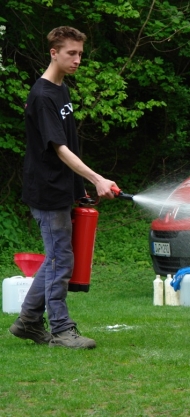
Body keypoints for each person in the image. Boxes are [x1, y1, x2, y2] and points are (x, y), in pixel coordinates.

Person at [9, 26, 119, 349]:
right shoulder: (42, 96)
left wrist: (78, 189)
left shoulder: (61, 90)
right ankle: (60, 329)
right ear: (53, 53)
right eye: (71, 53)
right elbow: (60, 149)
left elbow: (68, 143)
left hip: (61, 188)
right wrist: (96, 178)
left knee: (56, 257)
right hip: (45, 191)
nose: (77, 60)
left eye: (80, 54)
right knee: (61, 259)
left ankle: (28, 320)